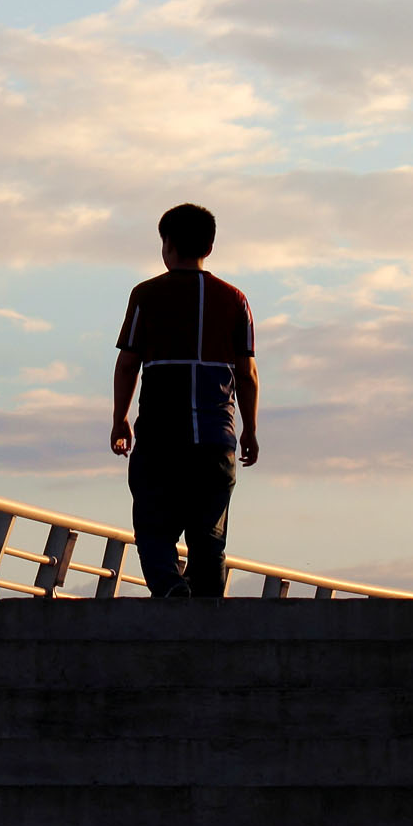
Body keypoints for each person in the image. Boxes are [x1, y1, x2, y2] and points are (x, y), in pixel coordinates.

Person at [108, 203, 259, 597]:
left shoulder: (146, 295)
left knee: (154, 526)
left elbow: (128, 365)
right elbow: (247, 374)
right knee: (209, 537)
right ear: (210, 244)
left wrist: (119, 418)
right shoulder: (235, 300)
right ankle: (208, 614)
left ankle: (170, 587)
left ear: (167, 245)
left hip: (161, 438)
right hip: (215, 439)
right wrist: (250, 429)